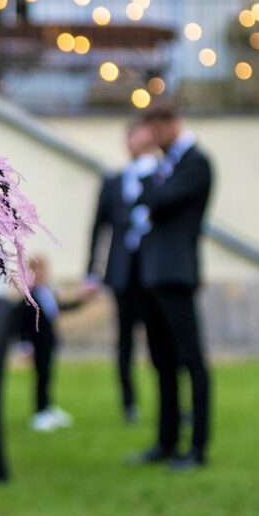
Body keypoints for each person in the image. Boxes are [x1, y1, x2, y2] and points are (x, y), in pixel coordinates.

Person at [131, 107, 213, 470]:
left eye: (154, 129)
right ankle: (166, 441)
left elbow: (158, 202)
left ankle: (197, 446)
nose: (150, 137)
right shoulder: (168, 165)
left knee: (191, 360)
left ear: (172, 125)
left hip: (177, 274)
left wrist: (146, 167)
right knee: (162, 361)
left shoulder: (195, 163)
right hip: (153, 274)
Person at [86, 121, 160, 423]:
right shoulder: (114, 181)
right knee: (125, 340)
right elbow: (98, 227)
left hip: (153, 272)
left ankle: (168, 403)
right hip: (122, 272)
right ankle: (129, 403)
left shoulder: (161, 176)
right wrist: (92, 272)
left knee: (160, 339)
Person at [14, 255, 88, 432]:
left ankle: (48, 407)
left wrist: (82, 299)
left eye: (43, 269)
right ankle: (40, 412)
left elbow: (60, 308)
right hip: (37, 343)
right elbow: (22, 323)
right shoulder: (29, 296)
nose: (40, 273)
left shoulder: (48, 291)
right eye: (35, 270)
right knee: (40, 377)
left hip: (49, 342)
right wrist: (25, 345)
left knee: (48, 375)